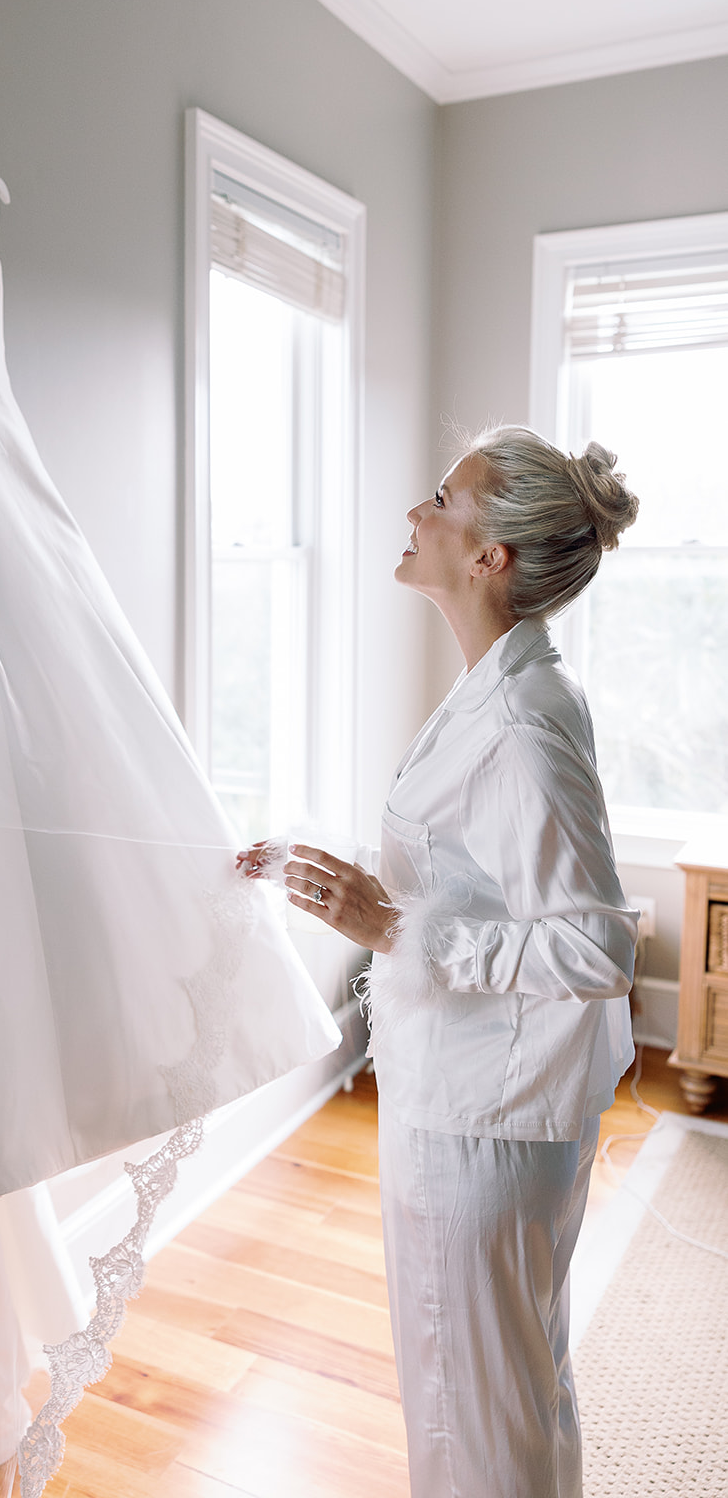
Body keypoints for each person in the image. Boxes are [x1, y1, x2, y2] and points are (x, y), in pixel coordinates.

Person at [239, 426, 640, 1498]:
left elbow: (593, 943)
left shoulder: (518, 718)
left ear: (485, 558)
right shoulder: (494, 686)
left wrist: (392, 928)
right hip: (477, 1100)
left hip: (483, 1122)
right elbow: (469, 871)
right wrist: (340, 881)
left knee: (473, 1418)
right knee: (504, 1396)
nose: (412, 513)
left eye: (437, 498)